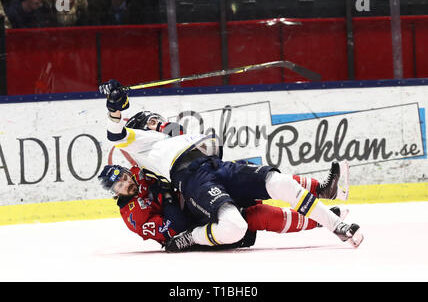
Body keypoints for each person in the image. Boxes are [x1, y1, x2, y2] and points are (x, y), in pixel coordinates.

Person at [98, 79, 364, 252]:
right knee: (248, 220)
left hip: (213, 166)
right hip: (193, 184)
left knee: (278, 182)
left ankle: (335, 223)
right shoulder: (138, 143)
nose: (158, 123)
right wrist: (114, 110)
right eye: (153, 121)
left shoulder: (169, 136)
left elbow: (203, 140)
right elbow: (116, 135)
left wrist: (128, 106)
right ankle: (321, 211)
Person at [98, 162, 349, 250]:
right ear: (115, 193)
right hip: (192, 230)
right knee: (255, 215)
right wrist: (168, 196)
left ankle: (323, 190)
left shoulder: (137, 173)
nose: (125, 182)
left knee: (256, 180)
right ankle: (320, 220)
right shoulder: (134, 216)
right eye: (119, 185)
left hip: (196, 191)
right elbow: (176, 227)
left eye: (123, 176)